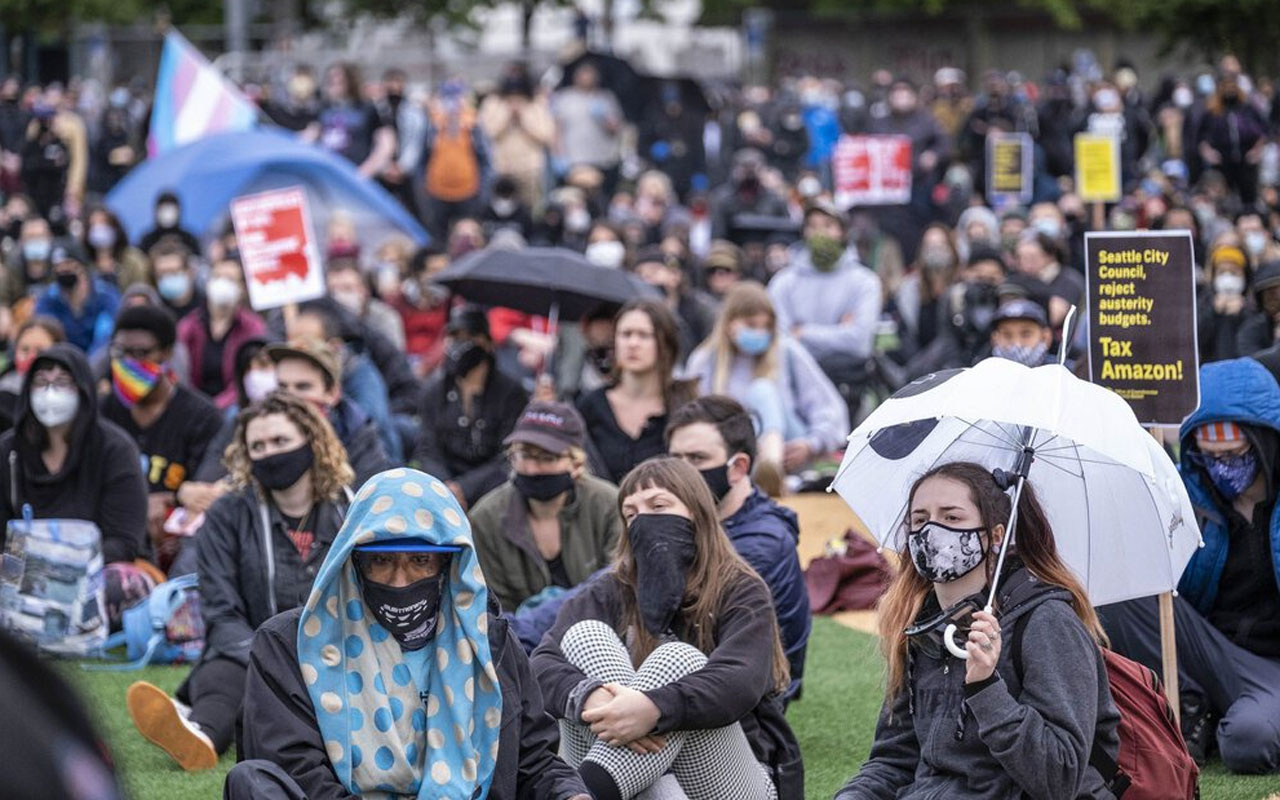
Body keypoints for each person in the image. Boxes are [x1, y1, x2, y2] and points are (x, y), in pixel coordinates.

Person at [224, 467, 591, 800]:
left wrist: (571, 795)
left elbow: (534, 761)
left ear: (448, 565)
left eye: (420, 561)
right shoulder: (291, 643)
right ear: (353, 562)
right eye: (381, 561)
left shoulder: (488, 642)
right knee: (252, 780)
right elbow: (296, 770)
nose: (400, 581)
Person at [837, 461, 1119, 799]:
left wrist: (986, 688)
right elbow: (894, 761)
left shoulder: (1047, 621)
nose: (932, 531)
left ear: (995, 535)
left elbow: (1059, 777)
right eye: (920, 519)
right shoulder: (920, 629)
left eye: (952, 517)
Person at [532, 456, 801, 800]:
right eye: (631, 514)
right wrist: (592, 697)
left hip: (730, 781)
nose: (643, 520)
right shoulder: (611, 589)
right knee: (584, 636)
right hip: (648, 785)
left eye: (659, 506)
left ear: (696, 513)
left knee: (678, 659)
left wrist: (653, 710)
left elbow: (739, 681)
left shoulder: (740, 588)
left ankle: (583, 792)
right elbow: (541, 664)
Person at [126, 391, 355, 771]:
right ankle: (198, 734)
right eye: (258, 446)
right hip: (249, 653)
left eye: (281, 441)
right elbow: (220, 610)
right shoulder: (228, 514)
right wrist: (270, 658)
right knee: (229, 672)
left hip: (338, 654)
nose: (269, 453)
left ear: (312, 442)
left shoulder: (353, 508)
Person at [1098, 357, 1280, 773]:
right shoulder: (1184, 493)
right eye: (1210, 457)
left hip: (1271, 667)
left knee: (1248, 744)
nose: (1222, 469)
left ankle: (1223, 718)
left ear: (1265, 443)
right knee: (1123, 593)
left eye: (1235, 455)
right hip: (1210, 645)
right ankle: (1187, 701)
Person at [666, 396, 811, 702]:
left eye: (696, 459)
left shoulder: (762, 543)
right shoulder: (695, 522)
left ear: (738, 466)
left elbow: (685, 627)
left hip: (743, 712)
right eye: (675, 460)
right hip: (693, 691)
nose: (680, 474)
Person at [0, 344, 149, 624]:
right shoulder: (9, 450)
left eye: (62, 383)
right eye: (41, 382)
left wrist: (57, 565)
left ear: (82, 389)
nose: (50, 392)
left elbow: (124, 541)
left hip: (92, 571)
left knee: (123, 586)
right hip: (20, 572)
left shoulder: (115, 449)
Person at [468, 401, 623, 614]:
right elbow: (493, 608)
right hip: (517, 639)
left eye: (546, 457)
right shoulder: (486, 517)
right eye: (523, 455)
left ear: (576, 464)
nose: (532, 469)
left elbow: (619, 587)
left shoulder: (608, 505)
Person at [101, 305, 225, 570]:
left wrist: (173, 499)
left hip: (178, 550)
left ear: (166, 353)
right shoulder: (102, 412)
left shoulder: (203, 418)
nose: (130, 363)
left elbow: (205, 494)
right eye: (121, 352)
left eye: (142, 353)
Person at [685, 282, 848, 479]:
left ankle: (771, 464)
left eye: (766, 327)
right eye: (752, 325)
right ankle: (762, 468)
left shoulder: (787, 351)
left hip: (789, 447)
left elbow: (830, 408)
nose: (760, 333)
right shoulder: (704, 361)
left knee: (762, 390)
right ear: (729, 323)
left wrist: (812, 443)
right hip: (733, 453)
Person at [412, 305, 528, 509]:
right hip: (442, 491)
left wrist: (464, 488)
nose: (461, 344)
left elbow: (508, 455)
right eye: (455, 336)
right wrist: (446, 488)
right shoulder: (433, 392)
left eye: (471, 336)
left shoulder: (511, 393)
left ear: (488, 342)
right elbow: (427, 450)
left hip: (495, 493)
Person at [577, 299, 695, 485]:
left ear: (665, 342)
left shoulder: (686, 406)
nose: (633, 343)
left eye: (644, 335)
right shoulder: (590, 406)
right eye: (625, 334)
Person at [767, 199, 883, 387]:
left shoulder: (865, 282)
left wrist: (803, 332)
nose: (820, 233)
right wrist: (839, 332)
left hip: (847, 383)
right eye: (812, 226)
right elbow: (779, 340)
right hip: (793, 381)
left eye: (828, 226)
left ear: (843, 232)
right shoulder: (783, 282)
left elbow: (859, 342)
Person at [269, 338, 392, 487]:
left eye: (303, 387)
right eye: (282, 387)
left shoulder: (359, 438)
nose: (289, 398)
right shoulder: (256, 432)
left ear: (332, 393)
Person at [176, 256, 266, 408]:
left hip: (234, 406)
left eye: (230, 279)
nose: (222, 284)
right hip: (194, 404)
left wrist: (216, 406)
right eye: (218, 277)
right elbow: (180, 372)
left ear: (242, 288)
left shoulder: (253, 327)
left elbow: (247, 378)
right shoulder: (188, 325)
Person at [418, 79, 492, 240]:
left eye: (457, 97)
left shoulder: (473, 125)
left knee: (468, 236)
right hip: (437, 192)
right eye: (448, 97)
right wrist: (424, 188)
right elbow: (423, 160)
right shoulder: (433, 126)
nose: (453, 102)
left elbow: (486, 160)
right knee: (438, 237)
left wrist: (483, 191)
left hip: (469, 191)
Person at [479, 63, 557, 208]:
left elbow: (546, 136)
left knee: (530, 208)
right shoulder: (493, 103)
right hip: (502, 168)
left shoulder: (537, 105)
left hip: (530, 169)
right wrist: (507, 118)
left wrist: (523, 120)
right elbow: (487, 134)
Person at [305, 62, 395, 178]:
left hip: (357, 174)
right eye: (330, 80)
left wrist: (364, 172)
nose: (333, 83)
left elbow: (386, 144)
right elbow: (309, 137)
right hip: (329, 174)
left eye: (338, 80)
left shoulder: (367, 108)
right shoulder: (322, 109)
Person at [33, 239, 120, 356]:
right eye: (59, 267)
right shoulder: (48, 298)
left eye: (69, 265)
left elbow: (106, 338)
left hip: (99, 363)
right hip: (62, 362)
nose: (64, 270)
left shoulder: (105, 296)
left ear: (82, 267)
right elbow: (45, 334)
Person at [631, 246, 717, 361]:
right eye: (639, 273)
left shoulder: (699, 307)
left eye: (654, 271)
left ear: (675, 276)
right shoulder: (633, 310)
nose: (646, 277)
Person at [552, 62, 623, 190]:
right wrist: (559, 155)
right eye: (583, 74)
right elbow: (557, 129)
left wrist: (604, 118)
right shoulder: (565, 98)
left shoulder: (605, 98)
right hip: (575, 160)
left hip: (603, 160)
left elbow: (616, 129)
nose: (586, 78)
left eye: (589, 74)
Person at [0, 315, 64, 431]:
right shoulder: (4, 394)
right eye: (25, 349)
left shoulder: (71, 397)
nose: (32, 357)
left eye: (40, 350)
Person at [326, 257, 405, 351]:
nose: (339, 295)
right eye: (333, 291)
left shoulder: (384, 317)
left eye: (347, 288)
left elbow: (396, 357)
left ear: (363, 290)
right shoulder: (321, 319)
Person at [1198, 244, 1250, 364]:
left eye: (1233, 272)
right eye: (1222, 272)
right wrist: (1213, 310)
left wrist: (1243, 312)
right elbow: (1196, 338)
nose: (1227, 277)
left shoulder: (1253, 303)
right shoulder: (1204, 301)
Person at [82, 206, 149, 289]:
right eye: (93, 225)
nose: (99, 229)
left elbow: (143, 288)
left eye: (103, 223)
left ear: (114, 227)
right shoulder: (85, 263)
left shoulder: (133, 259)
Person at [987, 298, 1055, 367]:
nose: (1016, 344)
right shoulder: (982, 373)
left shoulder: (1061, 373)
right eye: (1007, 335)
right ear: (995, 339)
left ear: (1045, 337)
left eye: (1026, 335)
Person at [150, 240, 204, 322]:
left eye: (173, 272)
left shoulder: (205, 307)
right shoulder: (152, 310)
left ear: (189, 271)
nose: (168, 278)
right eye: (162, 274)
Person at [138, 191, 201, 255]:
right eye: (164, 209)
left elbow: (197, 260)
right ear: (156, 211)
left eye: (171, 209)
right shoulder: (148, 240)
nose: (167, 214)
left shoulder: (189, 239)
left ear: (179, 211)